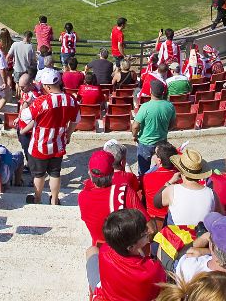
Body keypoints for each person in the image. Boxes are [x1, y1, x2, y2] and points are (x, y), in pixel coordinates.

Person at [20, 67, 81, 205]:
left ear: (47, 86)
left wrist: (25, 104)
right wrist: (68, 134)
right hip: (58, 142)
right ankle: (54, 200)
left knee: (39, 174)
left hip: (40, 144)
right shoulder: (71, 99)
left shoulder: (42, 101)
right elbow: (76, 119)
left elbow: (24, 117)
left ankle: (37, 198)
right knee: (55, 173)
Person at [86, 208, 165, 301]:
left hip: (107, 295)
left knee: (92, 250)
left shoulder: (105, 250)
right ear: (131, 247)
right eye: (145, 233)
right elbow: (162, 289)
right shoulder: (152, 269)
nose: (149, 231)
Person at [79, 149, 144, 245]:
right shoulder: (126, 192)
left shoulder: (82, 196)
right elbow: (149, 227)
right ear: (113, 173)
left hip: (99, 250)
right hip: (123, 250)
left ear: (89, 173)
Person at [154, 148, 216, 228]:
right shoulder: (211, 193)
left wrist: (170, 182)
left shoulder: (172, 190)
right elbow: (219, 214)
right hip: (200, 235)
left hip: (177, 237)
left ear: (181, 171)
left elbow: (156, 203)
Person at [133, 81, 176, 174]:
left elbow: (135, 126)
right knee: (162, 167)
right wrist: (165, 130)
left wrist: (134, 136)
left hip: (145, 143)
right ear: (163, 92)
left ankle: (144, 184)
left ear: (150, 91)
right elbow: (173, 124)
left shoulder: (145, 107)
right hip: (162, 141)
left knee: (143, 170)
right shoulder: (170, 106)